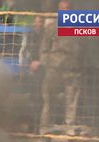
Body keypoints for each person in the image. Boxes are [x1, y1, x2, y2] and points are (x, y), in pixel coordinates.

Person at [39, 0, 82, 135]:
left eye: (68, 8)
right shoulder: (51, 27)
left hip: (72, 67)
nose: (66, 11)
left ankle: (70, 126)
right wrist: (46, 64)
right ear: (58, 11)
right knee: (48, 98)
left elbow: (83, 47)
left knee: (71, 99)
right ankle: (45, 127)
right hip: (54, 67)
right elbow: (44, 48)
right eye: (63, 8)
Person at [18, 15, 45, 132]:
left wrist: (40, 62)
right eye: (38, 21)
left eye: (41, 21)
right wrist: (24, 66)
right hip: (30, 69)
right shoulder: (29, 35)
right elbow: (23, 51)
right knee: (31, 98)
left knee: (40, 97)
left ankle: (39, 125)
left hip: (43, 68)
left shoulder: (45, 35)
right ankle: (31, 124)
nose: (39, 24)